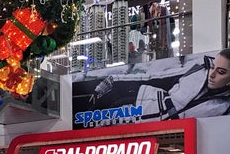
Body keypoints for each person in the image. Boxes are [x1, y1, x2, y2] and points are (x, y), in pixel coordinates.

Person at [88, 50, 230, 120]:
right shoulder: (198, 70)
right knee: (91, 120)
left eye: (221, 72)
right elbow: (155, 77)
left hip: (163, 133)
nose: (212, 74)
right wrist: (112, 79)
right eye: (212, 67)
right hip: (136, 105)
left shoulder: (225, 107)